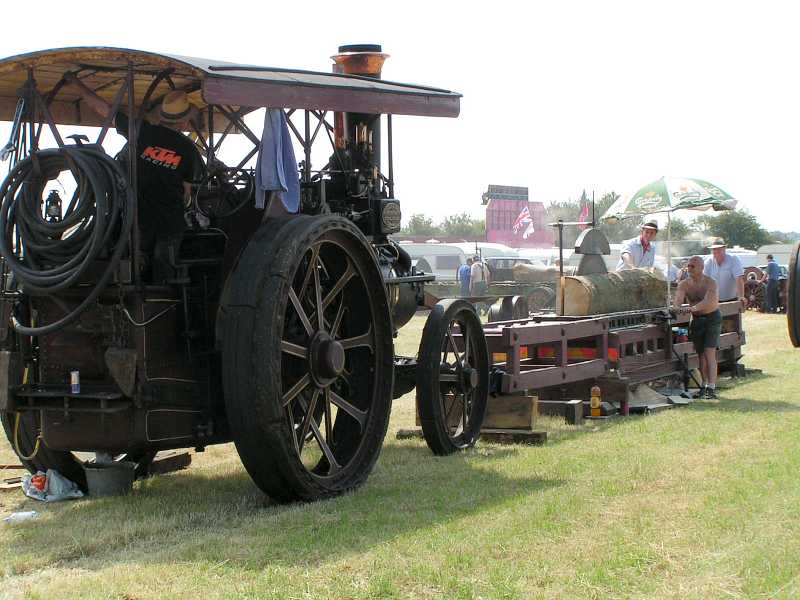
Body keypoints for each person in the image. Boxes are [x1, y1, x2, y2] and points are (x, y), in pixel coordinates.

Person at [64, 73, 204, 280]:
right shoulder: (189, 150)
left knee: (137, 265)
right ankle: (166, 304)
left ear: (163, 116)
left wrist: (77, 84)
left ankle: (139, 299)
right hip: (169, 221)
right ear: (184, 122)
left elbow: (105, 110)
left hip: (138, 218)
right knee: (164, 267)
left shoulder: (141, 132)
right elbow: (187, 192)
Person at [674, 255, 721, 399]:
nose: (689, 268)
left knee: (709, 353)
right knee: (700, 355)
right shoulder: (684, 284)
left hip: (712, 318)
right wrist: (676, 308)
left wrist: (690, 309)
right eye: (688, 266)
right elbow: (677, 301)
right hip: (697, 320)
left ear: (701, 267)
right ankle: (703, 385)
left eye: (693, 266)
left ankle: (711, 388)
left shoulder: (710, 283)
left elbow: (708, 302)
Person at [703, 238, 745, 305]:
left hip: (732, 300)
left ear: (724, 249)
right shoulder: (708, 262)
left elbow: (739, 279)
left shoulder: (733, 259)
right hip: (714, 301)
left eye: (718, 249)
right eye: (714, 249)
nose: (716, 251)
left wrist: (741, 297)